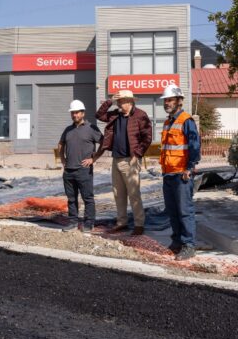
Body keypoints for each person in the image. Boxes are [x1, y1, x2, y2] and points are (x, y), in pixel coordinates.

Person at [95, 89, 152, 236]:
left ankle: (139, 224)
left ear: (130, 102)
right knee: (118, 193)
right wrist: (110, 101)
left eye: (122, 101)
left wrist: (137, 155)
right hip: (116, 159)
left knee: (134, 194)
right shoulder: (115, 114)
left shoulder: (140, 115)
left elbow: (147, 137)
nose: (120, 104)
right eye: (119, 101)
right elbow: (99, 115)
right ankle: (122, 222)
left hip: (130, 160)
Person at [159, 84, 201, 261]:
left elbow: (194, 146)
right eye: (165, 100)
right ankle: (176, 241)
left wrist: (189, 168)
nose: (167, 103)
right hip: (168, 173)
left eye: (170, 100)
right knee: (172, 210)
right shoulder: (168, 122)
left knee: (184, 210)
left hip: (182, 174)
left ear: (179, 101)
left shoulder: (186, 120)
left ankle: (188, 245)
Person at [57, 100, 103, 234]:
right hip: (69, 171)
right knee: (71, 198)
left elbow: (104, 143)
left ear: (83, 113)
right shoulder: (68, 129)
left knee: (88, 198)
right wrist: (63, 159)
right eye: (72, 113)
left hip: (84, 170)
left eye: (76, 112)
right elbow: (61, 144)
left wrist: (93, 159)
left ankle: (89, 223)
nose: (74, 115)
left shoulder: (91, 129)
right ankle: (72, 222)